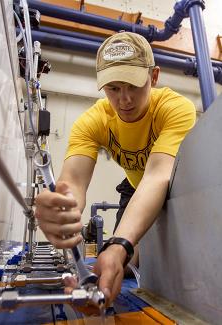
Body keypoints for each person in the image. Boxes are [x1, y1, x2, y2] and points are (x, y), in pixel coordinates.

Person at [35, 32, 196, 305]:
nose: (125, 100)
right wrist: (63, 209)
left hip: (176, 189)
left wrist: (119, 244)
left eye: (133, 85)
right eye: (113, 88)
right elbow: (73, 180)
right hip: (134, 188)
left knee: (161, 258)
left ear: (153, 77)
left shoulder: (175, 109)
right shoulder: (93, 121)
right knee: (124, 258)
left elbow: (158, 176)